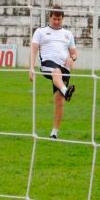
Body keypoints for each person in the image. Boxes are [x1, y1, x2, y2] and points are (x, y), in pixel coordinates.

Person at [29, 9, 77, 139]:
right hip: (48, 64)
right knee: (56, 71)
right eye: (54, 19)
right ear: (49, 18)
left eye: (59, 19)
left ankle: (54, 134)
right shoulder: (40, 32)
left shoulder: (68, 34)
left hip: (64, 68)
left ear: (62, 19)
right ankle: (66, 91)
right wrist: (31, 69)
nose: (56, 22)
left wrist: (72, 58)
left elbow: (74, 53)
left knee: (59, 102)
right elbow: (33, 51)